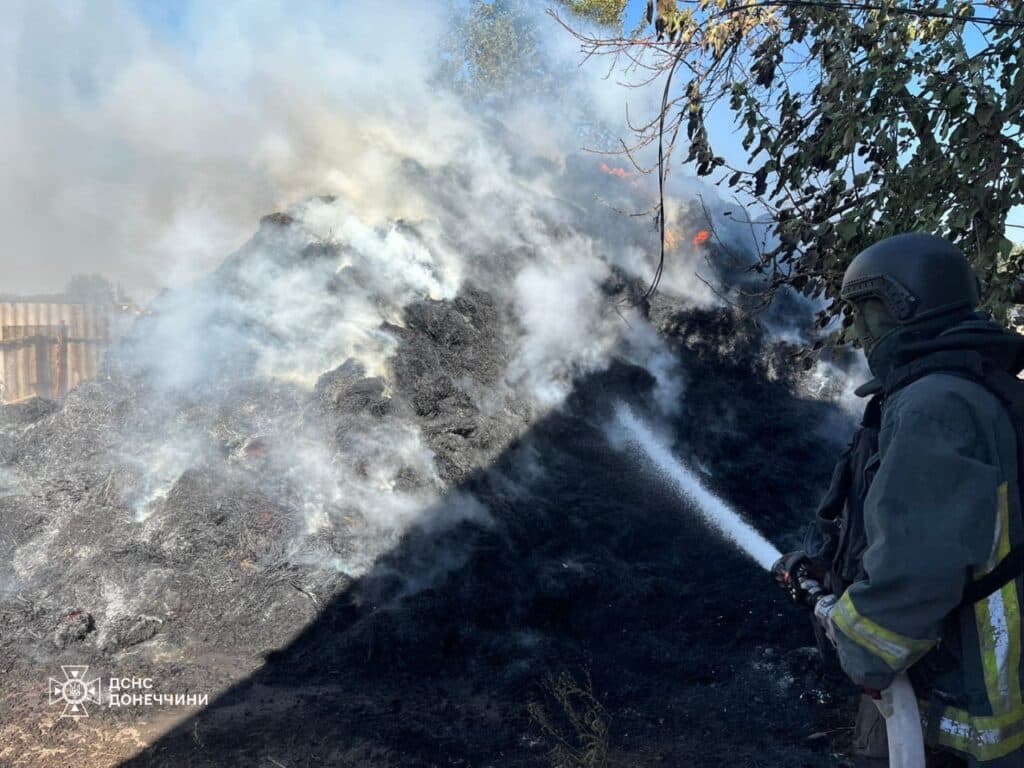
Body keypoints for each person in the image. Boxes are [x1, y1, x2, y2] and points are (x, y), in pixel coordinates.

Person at [774, 233, 1024, 767]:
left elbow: (917, 567)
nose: (860, 330)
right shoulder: (976, 386)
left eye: (868, 309)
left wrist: (859, 642)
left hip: (960, 696)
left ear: (909, 305)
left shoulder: (933, 406)